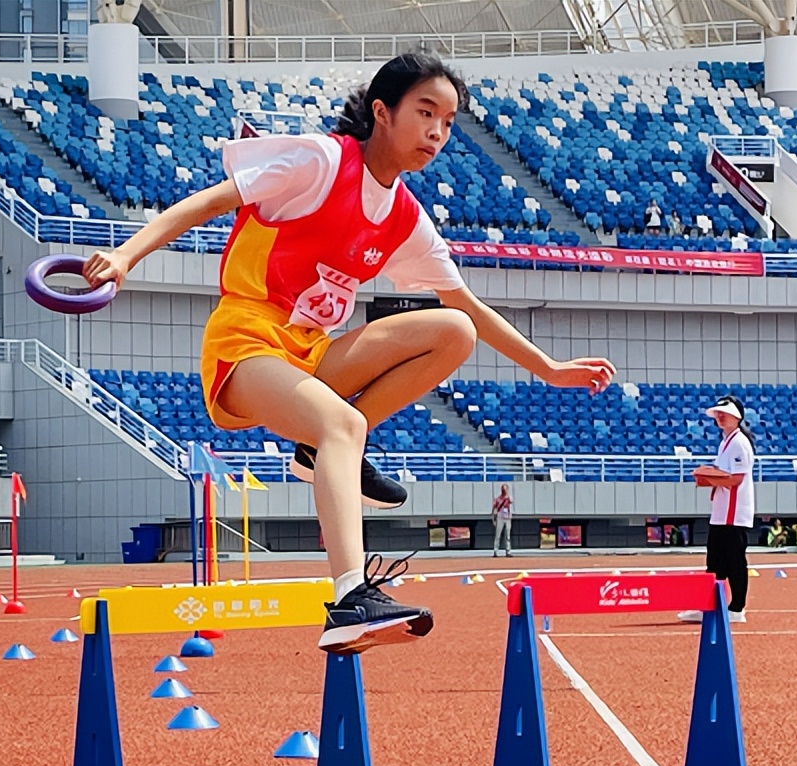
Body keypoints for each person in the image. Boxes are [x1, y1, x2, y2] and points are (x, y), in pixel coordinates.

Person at [82, 52, 615, 655]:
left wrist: (549, 368)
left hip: (311, 354)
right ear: (382, 112)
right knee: (345, 423)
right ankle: (350, 599)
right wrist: (125, 256)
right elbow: (209, 202)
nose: (437, 132)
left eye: (447, 122)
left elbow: (465, 303)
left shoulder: (405, 217)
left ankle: (318, 451)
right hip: (246, 344)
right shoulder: (322, 161)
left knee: (454, 330)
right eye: (425, 113)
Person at [680, 396, 755, 624]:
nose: (720, 417)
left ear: (737, 417)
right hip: (721, 512)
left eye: (725, 413)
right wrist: (708, 477)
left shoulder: (739, 443)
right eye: (718, 414)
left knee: (734, 561)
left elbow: (736, 479)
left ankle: (737, 608)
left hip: (734, 514)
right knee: (715, 563)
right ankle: (711, 605)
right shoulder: (725, 443)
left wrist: (710, 477)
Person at [491, 484, 513, 557]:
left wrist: (507, 496)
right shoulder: (498, 499)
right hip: (500, 517)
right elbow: (494, 508)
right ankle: (495, 551)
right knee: (498, 535)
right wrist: (493, 519)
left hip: (507, 518)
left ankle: (508, 551)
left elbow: (511, 501)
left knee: (507, 535)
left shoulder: (509, 498)